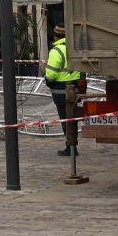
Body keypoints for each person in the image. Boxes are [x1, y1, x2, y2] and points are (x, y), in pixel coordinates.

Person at [45, 23, 84, 155]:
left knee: (65, 120)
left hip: (61, 91)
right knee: (72, 118)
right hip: (75, 89)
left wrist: (48, 82)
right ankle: (73, 146)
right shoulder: (74, 49)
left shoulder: (57, 51)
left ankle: (70, 148)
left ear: (56, 36)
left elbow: (51, 74)